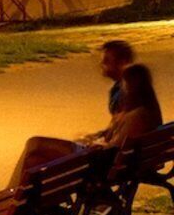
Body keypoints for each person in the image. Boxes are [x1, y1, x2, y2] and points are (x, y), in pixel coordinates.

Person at [11, 40, 159, 180]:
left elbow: (113, 151)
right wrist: (98, 137)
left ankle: (10, 198)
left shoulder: (136, 117)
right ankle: (24, 202)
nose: (122, 89)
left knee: (35, 143)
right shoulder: (137, 111)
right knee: (35, 160)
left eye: (125, 85)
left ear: (135, 87)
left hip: (95, 163)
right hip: (104, 161)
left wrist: (95, 144)